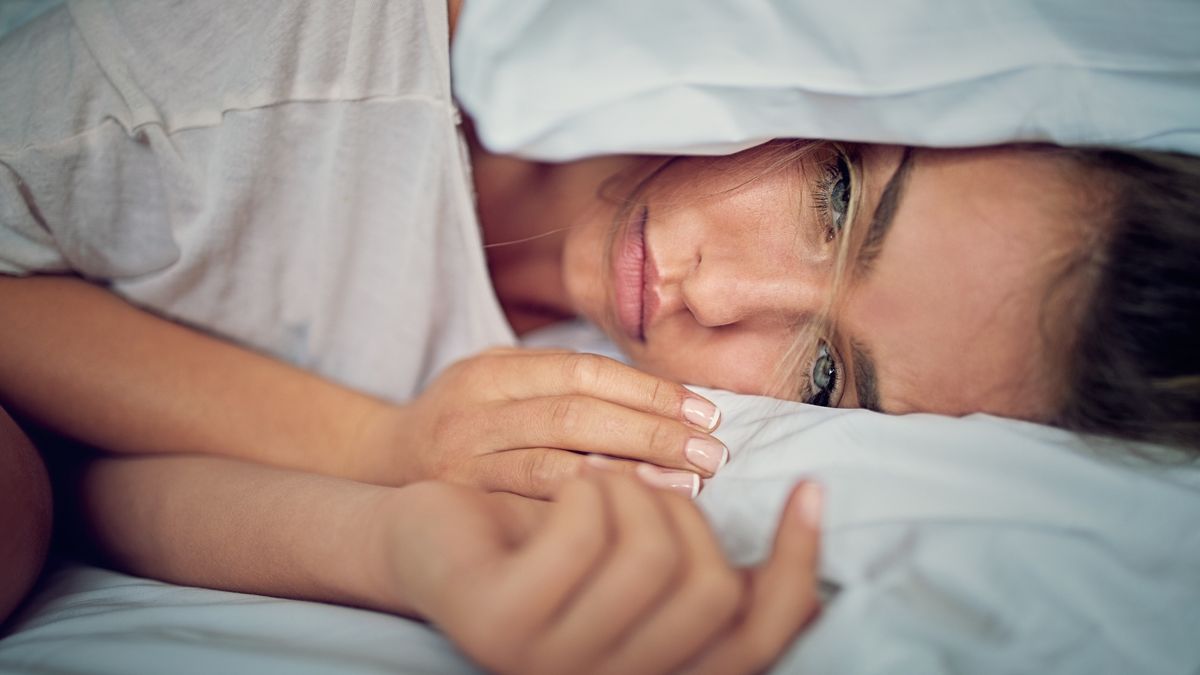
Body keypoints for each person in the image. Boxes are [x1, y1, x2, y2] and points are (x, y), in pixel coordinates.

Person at [0, 0, 1196, 671]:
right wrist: (378, 444)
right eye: (835, 199)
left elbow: (93, 491)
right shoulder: (278, 79)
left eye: (826, 372)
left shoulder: (607, 425)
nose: (723, 299)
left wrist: (404, 539)